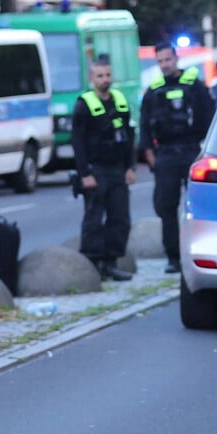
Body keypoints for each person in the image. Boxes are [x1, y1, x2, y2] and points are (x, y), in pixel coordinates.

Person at [139, 41, 215, 273]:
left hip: (192, 151)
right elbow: (144, 128)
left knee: (198, 206)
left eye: (168, 60)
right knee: (166, 207)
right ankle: (173, 257)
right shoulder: (153, 91)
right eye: (160, 61)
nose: (165, 65)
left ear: (176, 59)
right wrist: (151, 156)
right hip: (166, 155)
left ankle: (199, 252)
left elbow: (211, 118)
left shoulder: (195, 86)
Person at [70, 55, 136, 281]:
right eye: (100, 75)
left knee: (120, 219)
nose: (105, 79)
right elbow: (77, 143)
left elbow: (129, 137)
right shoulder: (84, 105)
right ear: (91, 78)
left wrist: (130, 167)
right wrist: (84, 174)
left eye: (108, 75)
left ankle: (111, 263)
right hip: (96, 170)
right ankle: (91, 264)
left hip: (118, 168)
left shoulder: (119, 100)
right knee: (94, 220)